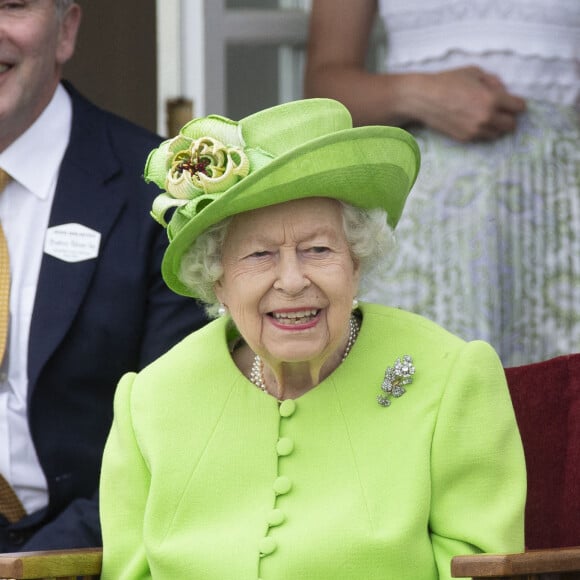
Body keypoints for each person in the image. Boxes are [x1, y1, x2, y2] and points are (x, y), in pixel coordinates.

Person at [98, 98, 526, 579]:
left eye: (317, 249)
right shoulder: (150, 400)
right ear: (217, 278)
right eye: (259, 255)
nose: (292, 280)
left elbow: (478, 567)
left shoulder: (452, 375)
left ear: (357, 261)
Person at [0, 0, 208, 552]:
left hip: (88, 554)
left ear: (65, 28)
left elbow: (179, 440)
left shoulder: (161, 201)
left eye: (11, 5)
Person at [305, 0, 580, 367]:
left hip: (562, 208)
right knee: (423, 394)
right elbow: (323, 89)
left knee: (556, 398)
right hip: (423, 214)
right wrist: (416, 93)